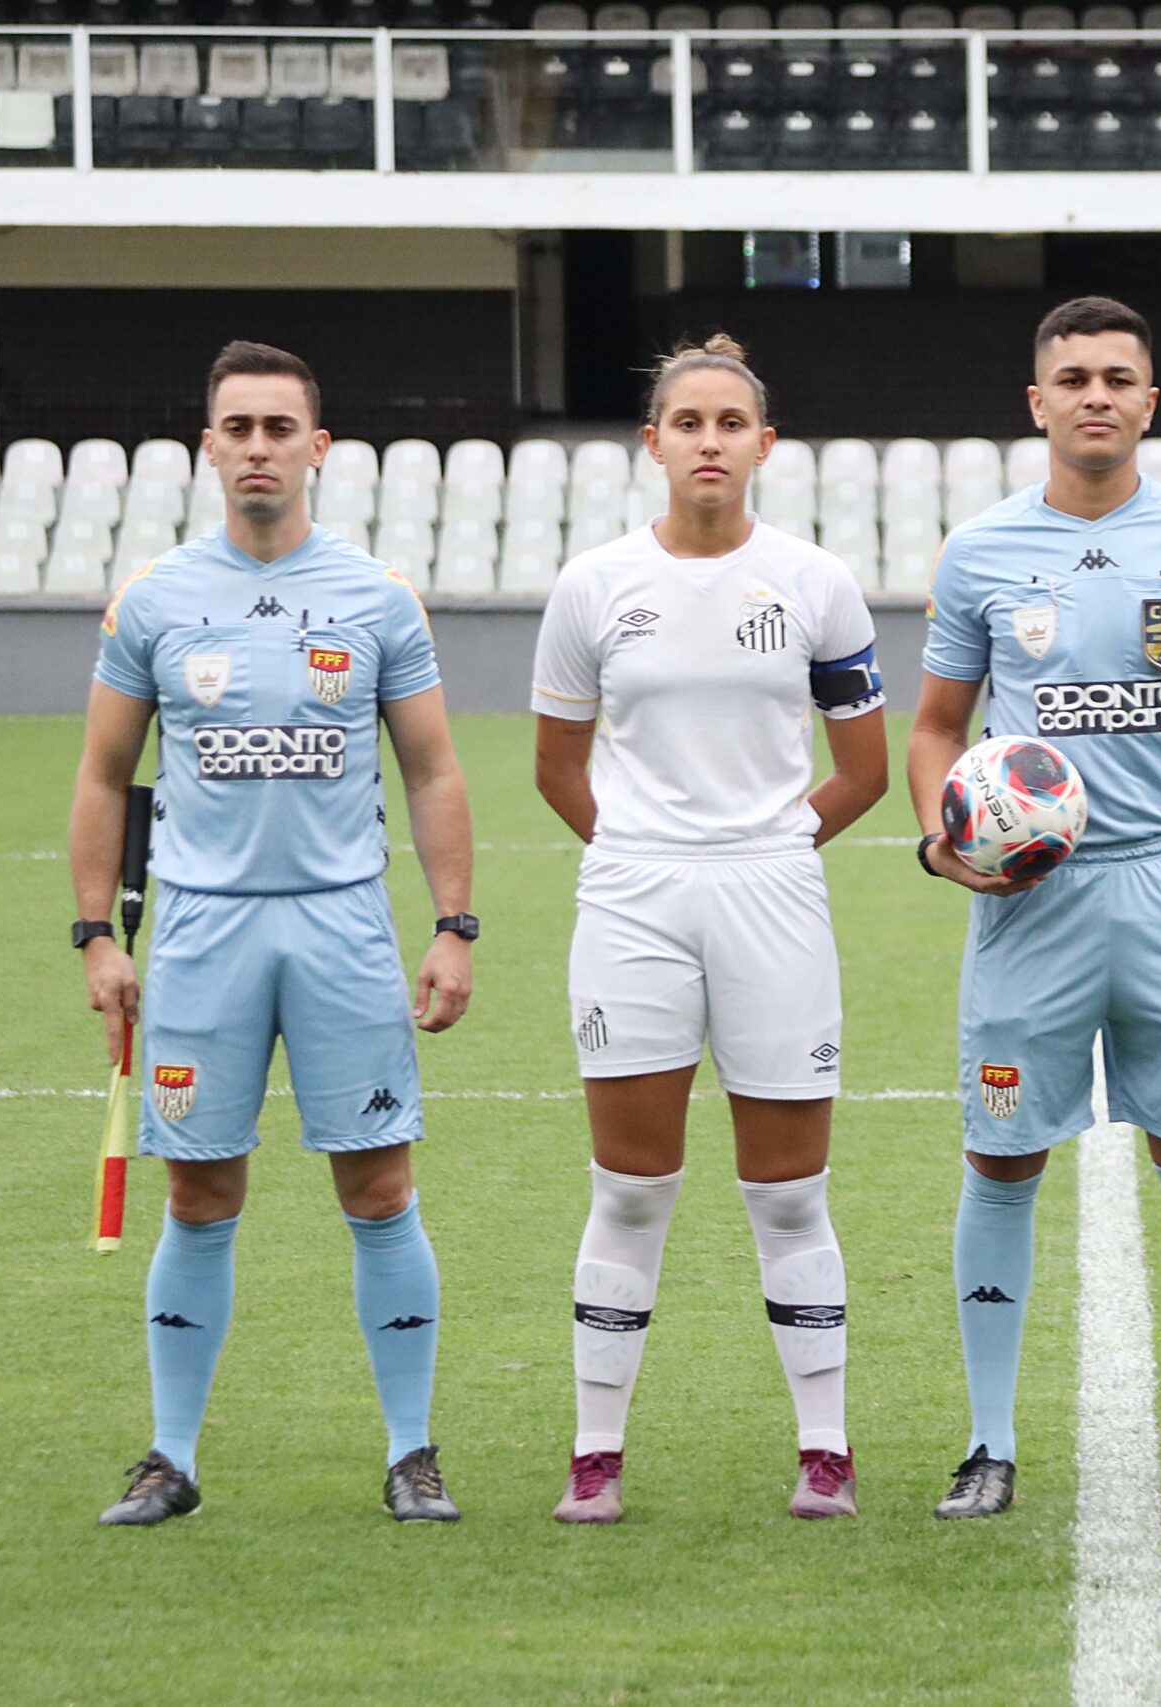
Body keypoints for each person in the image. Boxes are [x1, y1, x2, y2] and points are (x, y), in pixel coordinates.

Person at [908, 295, 1161, 1520]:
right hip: (1031, 903)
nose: (1095, 395)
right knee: (1002, 1153)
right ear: (1037, 404)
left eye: (1116, 378)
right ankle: (987, 1443)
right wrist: (942, 842)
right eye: (1071, 377)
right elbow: (932, 728)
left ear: (1148, 402)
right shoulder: (979, 550)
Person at [75, 341, 475, 1526]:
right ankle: (170, 1456)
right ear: (210, 447)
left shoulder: (376, 597)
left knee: (379, 1184)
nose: (258, 448)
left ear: (318, 446)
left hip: (344, 925)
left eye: (277, 428)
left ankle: (411, 1453)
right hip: (200, 935)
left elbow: (435, 770)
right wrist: (97, 934)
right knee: (196, 1192)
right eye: (237, 428)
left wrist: (454, 927)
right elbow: (103, 777)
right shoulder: (152, 600)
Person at [531, 335, 887, 1523]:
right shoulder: (592, 585)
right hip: (632, 900)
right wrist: (642, 853)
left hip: (772, 898)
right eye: (687, 423)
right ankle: (595, 1454)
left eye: (730, 423)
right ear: (654, 443)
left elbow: (864, 770)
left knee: (790, 1196)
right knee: (630, 1190)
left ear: (763, 445)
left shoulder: (815, 582)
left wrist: (767, 850)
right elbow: (557, 767)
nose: (708, 442)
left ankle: (823, 1451)